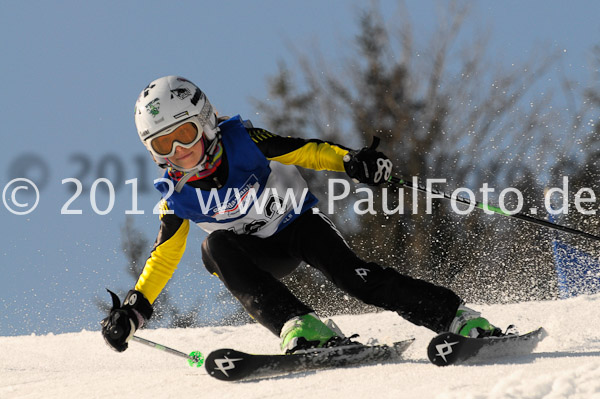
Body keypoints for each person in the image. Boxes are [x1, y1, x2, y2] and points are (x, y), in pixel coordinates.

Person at [101, 75, 504, 354]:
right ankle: (299, 326)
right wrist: (134, 310)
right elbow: (164, 256)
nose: (178, 152)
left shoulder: (244, 142)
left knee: (357, 280)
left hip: (297, 228)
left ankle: (456, 318)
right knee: (214, 247)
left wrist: (353, 162)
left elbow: (304, 150)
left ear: (205, 123)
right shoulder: (177, 195)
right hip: (254, 257)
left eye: (184, 135)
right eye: (162, 145)